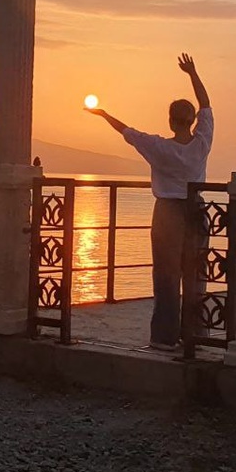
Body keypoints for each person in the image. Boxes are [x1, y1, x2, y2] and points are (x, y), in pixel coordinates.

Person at [86, 53, 213, 352]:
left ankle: (165, 337)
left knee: (166, 275)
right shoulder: (202, 143)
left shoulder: (157, 147)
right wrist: (193, 73)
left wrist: (103, 114)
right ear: (192, 120)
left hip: (168, 213)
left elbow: (127, 132)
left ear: (170, 120)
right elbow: (206, 105)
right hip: (196, 210)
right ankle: (195, 333)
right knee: (195, 274)